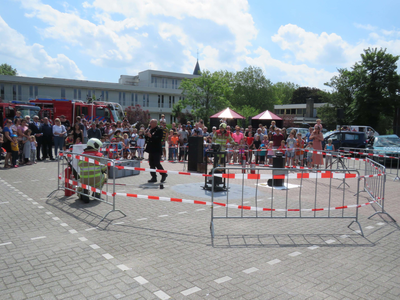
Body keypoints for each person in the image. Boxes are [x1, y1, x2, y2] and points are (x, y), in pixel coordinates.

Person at [78, 138, 108, 203]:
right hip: (96, 179)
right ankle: (97, 192)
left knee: (80, 186)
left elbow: (79, 165)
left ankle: (83, 191)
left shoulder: (81, 155)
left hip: (84, 180)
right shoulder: (100, 155)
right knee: (105, 176)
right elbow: (104, 167)